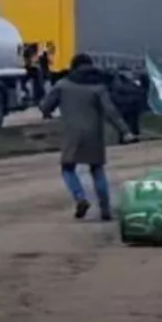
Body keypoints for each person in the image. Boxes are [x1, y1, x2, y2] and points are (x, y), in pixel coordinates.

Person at [39, 53, 134, 221]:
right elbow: (110, 111)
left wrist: (47, 107)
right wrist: (125, 131)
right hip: (94, 134)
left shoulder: (63, 85)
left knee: (68, 169)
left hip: (72, 135)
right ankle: (105, 209)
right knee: (97, 169)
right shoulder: (99, 87)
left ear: (73, 67)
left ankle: (80, 198)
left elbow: (45, 106)